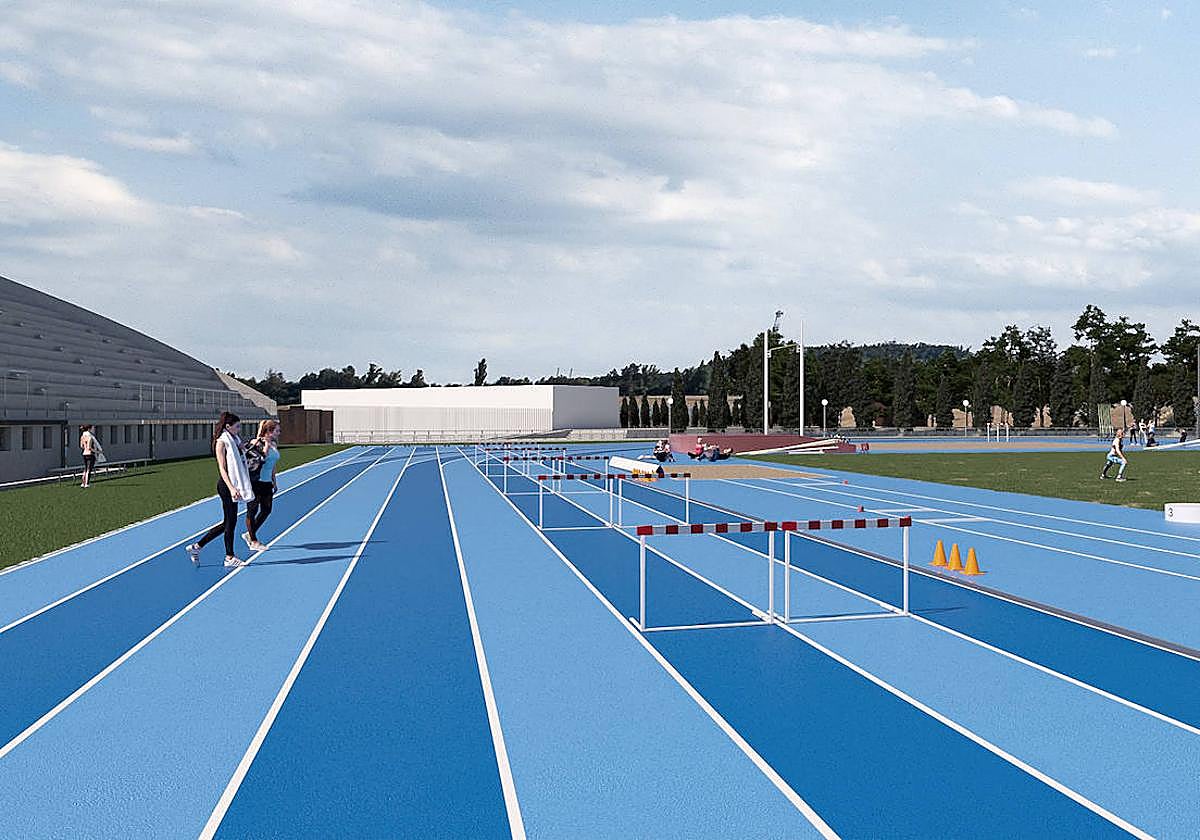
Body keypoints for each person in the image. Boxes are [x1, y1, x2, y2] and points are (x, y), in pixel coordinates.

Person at [186, 412, 255, 568]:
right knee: (231, 522)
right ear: (228, 426)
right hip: (226, 485)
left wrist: (247, 446)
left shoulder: (235, 440)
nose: (239, 429)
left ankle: (197, 547)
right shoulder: (221, 442)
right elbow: (222, 469)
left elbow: (242, 455)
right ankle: (229, 557)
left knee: (228, 522)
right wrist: (232, 488)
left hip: (233, 485)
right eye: (237, 426)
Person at [243, 419, 281, 551]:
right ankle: (253, 541)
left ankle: (249, 534)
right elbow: (258, 459)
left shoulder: (274, 444)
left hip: (267, 482)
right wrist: (265, 445)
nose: (279, 433)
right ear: (269, 431)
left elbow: (273, 465)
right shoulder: (256, 442)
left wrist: (274, 481)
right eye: (277, 431)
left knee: (266, 510)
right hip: (256, 482)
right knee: (252, 511)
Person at [78, 424, 105, 488]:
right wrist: (98, 452)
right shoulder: (90, 437)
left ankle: (83, 483)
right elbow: (89, 448)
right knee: (89, 469)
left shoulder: (82, 436)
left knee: (85, 469)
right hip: (90, 454)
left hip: (84, 454)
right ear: (89, 429)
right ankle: (87, 483)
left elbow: (81, 446)